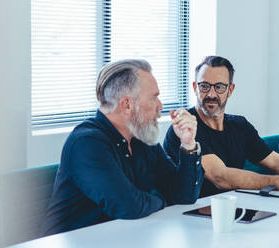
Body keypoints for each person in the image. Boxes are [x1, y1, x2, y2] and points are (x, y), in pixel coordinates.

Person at [43, 59, 204, 236]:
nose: (160, 106)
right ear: (127, 104)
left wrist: (188, 144)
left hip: (121, 238)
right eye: (154, 97)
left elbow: (184, 196)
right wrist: (163, 200)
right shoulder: (86, 143)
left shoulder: (142, 139)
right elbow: (129, 206)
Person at [164, 56, 279, 198]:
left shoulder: (239, 125)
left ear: (230, 90)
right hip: (190, 214)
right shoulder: (186, 129)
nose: (211, 94)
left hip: (234, 206)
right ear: (195, 87)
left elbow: (275, 161)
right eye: (204, 86)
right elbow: (220, 177)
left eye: (219, 87)